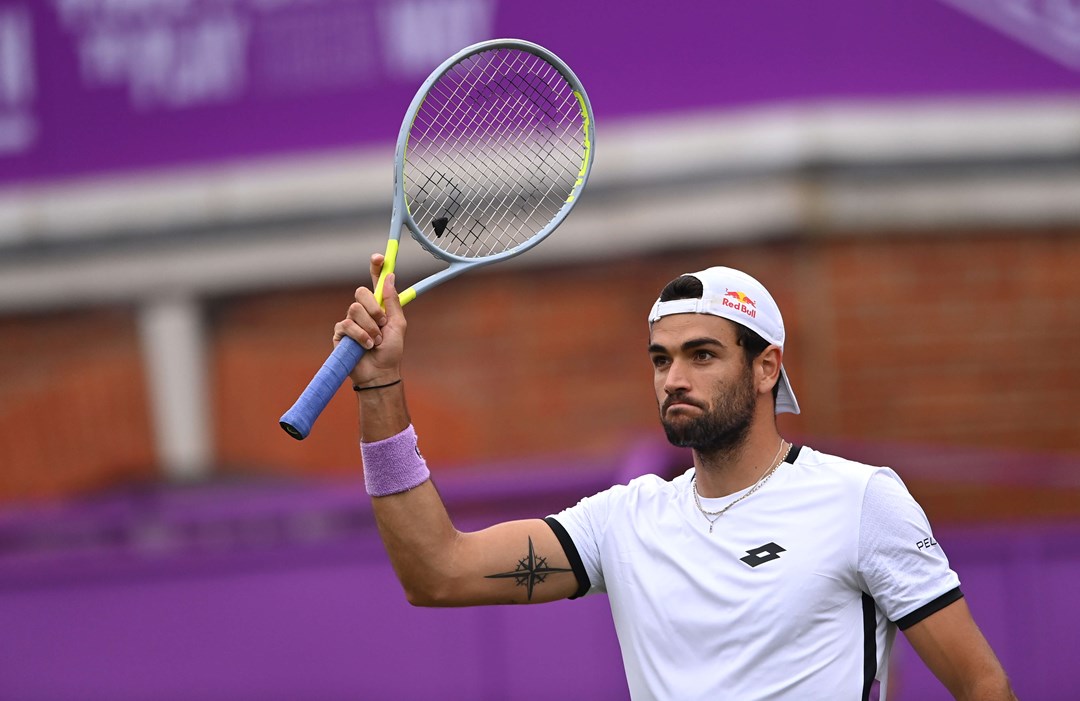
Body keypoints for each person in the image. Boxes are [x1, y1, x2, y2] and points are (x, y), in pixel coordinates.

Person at [335, 253, 1017, 701]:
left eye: (702, 354)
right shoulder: (623, 519)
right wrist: (381, 388)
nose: (675, 378)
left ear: (765, 367)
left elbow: (984, 684)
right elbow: (437, 570)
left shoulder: (862, 498)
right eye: (661, 359)